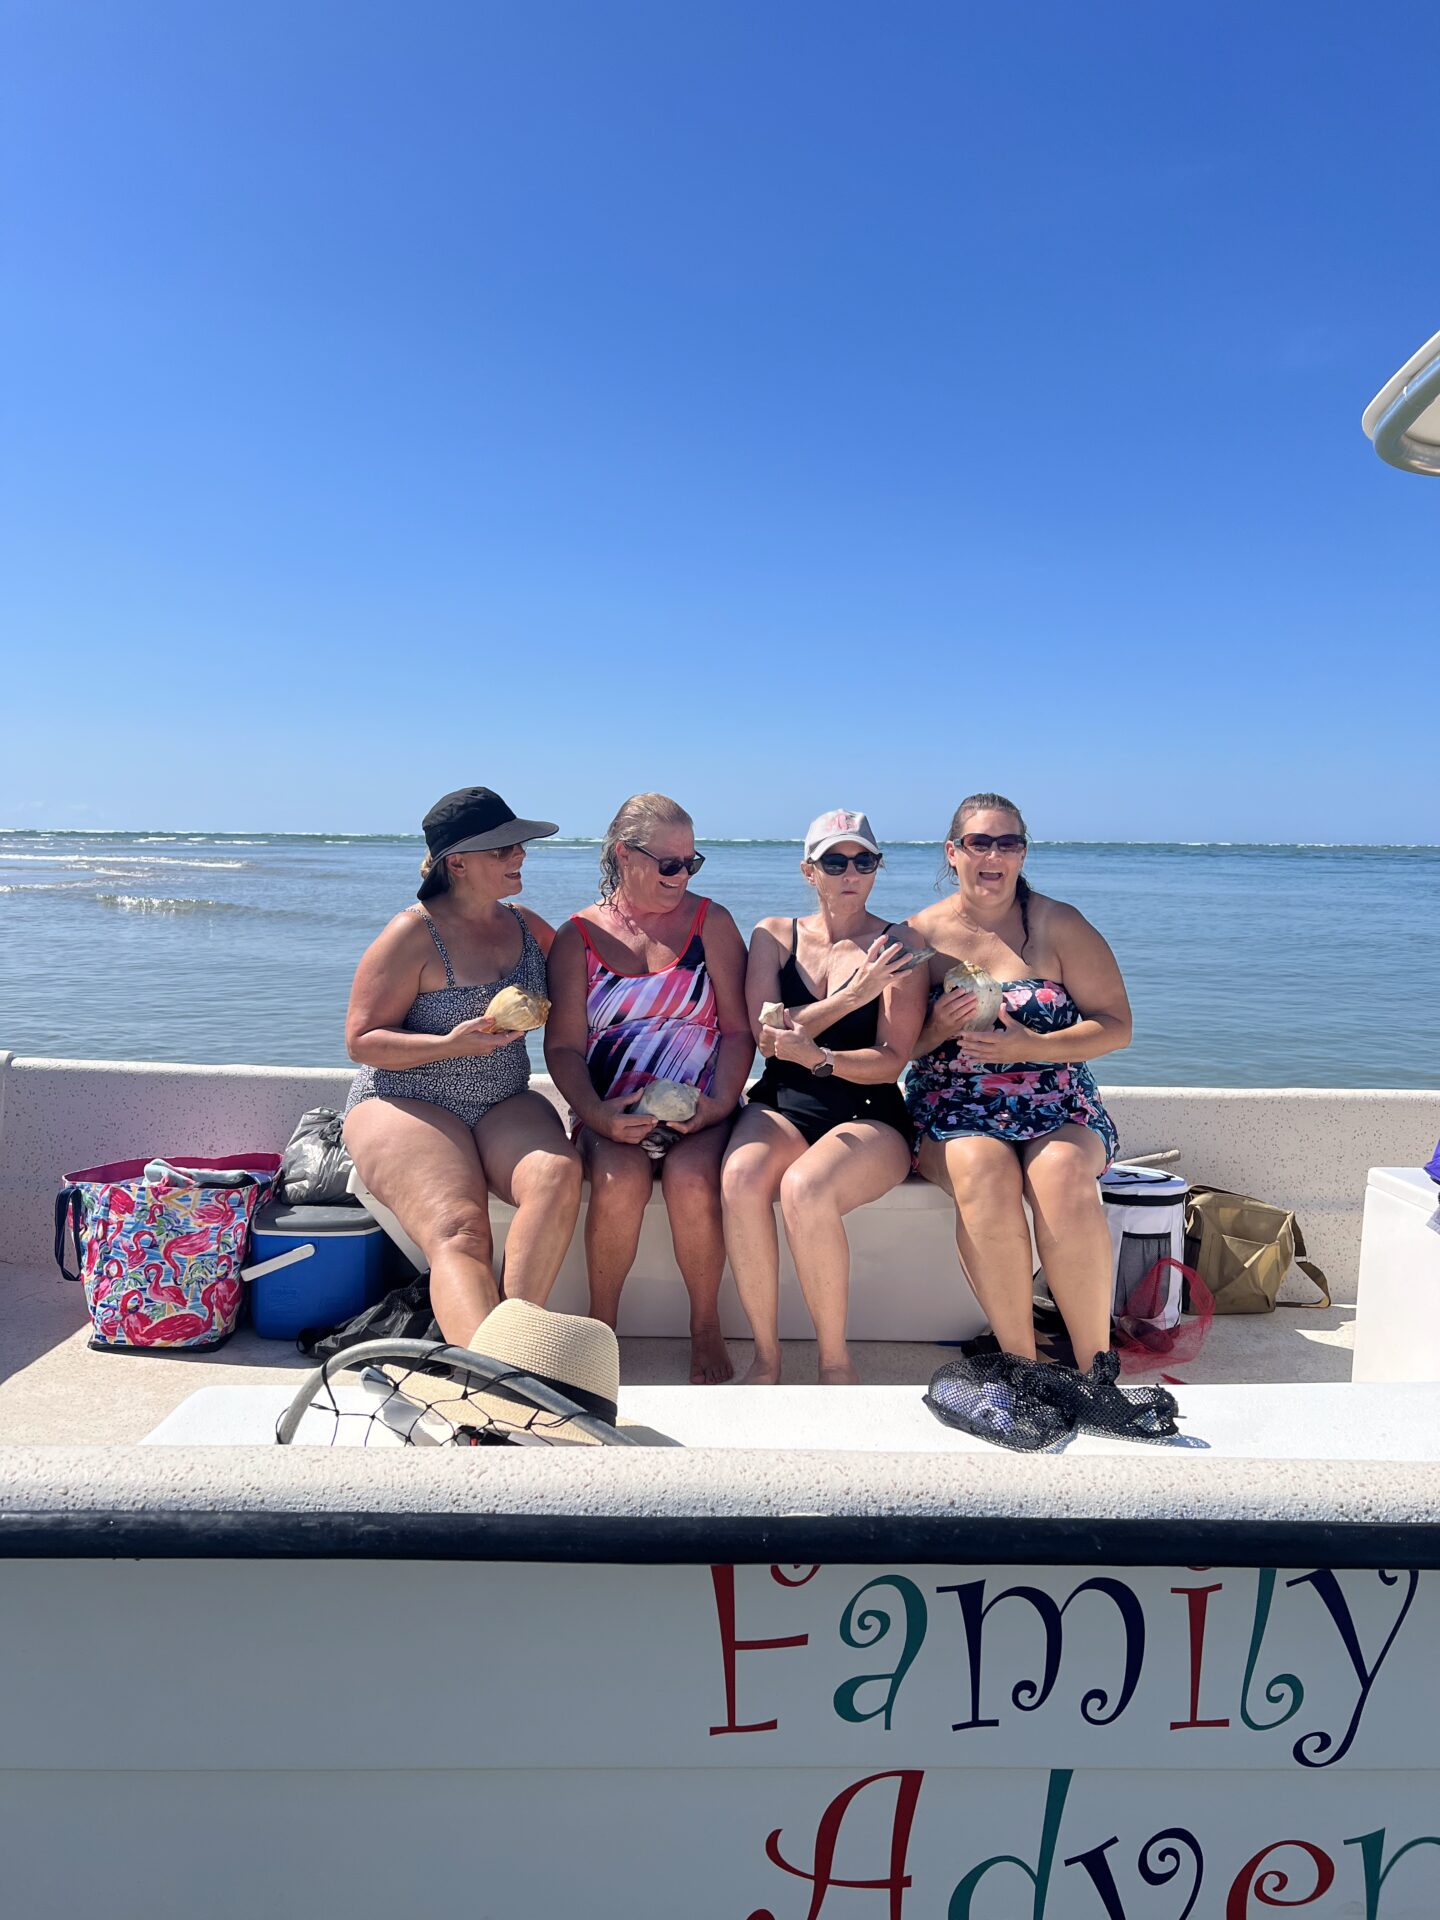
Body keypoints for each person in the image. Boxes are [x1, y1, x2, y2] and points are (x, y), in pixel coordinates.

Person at [343, 787, 583, 1345]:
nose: (518, 855)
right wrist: (451, 1043)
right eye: (502, 850)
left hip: (503, 1099)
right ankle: (486, 1384)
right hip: (405, 1100)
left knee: (556, 1173)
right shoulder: (412, 931)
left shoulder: (527, 925)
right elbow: (361, 1041)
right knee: (460, 1229)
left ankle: (515, 1348)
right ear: (458, 863)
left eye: (518, 845)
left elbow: (592, 989)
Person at [905, 792, 1131, 1374]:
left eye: (1008, 843)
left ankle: (1095, 1370)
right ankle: (1022, 1367)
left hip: (1057, 1100)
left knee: (1060, 1175)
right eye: (979, 842)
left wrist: (1033, 1047)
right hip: (953, 1105)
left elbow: (1116, 1026)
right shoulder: (919, 936)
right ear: (953, 853)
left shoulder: (1061, 925)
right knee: (983, 1169)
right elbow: (896, 1049)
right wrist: (935, 1025)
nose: (994, 855)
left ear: (1022, 854)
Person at [545, 793, 751, 1384]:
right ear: (623, 856)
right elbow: (561, 1048)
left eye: (692, 862)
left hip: (703, 1110)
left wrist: (716, 1108)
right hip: (611, 1112)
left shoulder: (712, 922)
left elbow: (738, 1032)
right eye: (669, 864)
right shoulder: (576, 936)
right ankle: (601, 1330)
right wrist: (597, 1116)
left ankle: (705, 1327)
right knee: (618, 1180)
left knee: (690, 1181)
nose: (682, 875)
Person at [721, 810, 926, 1385]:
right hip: (783, 1102)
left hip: (868, 1109)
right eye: (836, 861)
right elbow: (765, 1037)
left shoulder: (898, 944)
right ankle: (766, 1359)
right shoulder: (773, 934)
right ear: (809, 870)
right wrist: (855, 994)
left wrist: (819, 1055)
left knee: (806, 1187)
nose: (850, 873)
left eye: (864, 861)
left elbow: (891, 1057)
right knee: (739, 1179)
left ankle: (835, 1364)